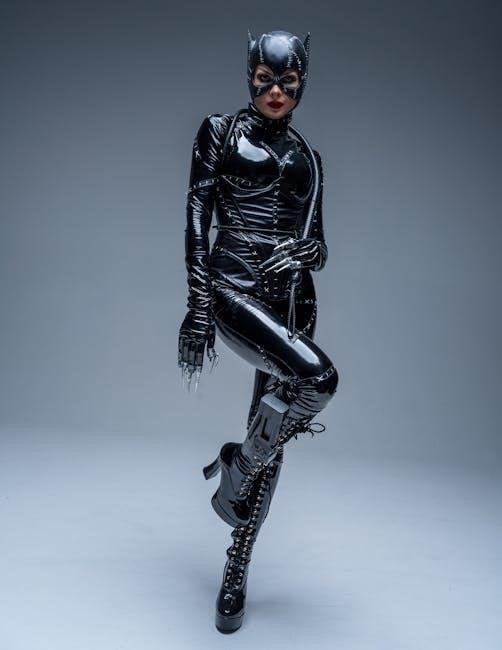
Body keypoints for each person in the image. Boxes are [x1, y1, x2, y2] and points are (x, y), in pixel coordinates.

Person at [178, 29, 339, 633]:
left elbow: (318, 242)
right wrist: (199, 304)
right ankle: (238, 465)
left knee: (269, 438)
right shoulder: (219, 132)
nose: (276, 92)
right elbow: (197, 217)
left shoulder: (310, 158)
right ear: (250, 76)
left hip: (293, 301)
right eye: (266, 79)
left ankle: (236, 565)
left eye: (288, 82)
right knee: (318, 380)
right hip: (233, 289)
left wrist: (309, 251)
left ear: (302, 84)